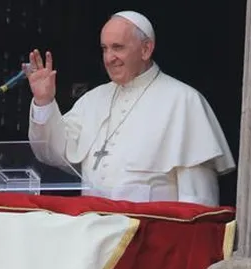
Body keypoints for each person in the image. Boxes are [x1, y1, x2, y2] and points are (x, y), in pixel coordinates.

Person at [25, 11, 236, 206]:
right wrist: (44, 102)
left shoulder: (184, 101)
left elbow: (197, 198)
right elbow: (51, 153)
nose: (109, 58)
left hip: (153, 238)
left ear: (146, 49)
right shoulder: (93, 100)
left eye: (118, 47)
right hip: (93, 231)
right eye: (104, 49)